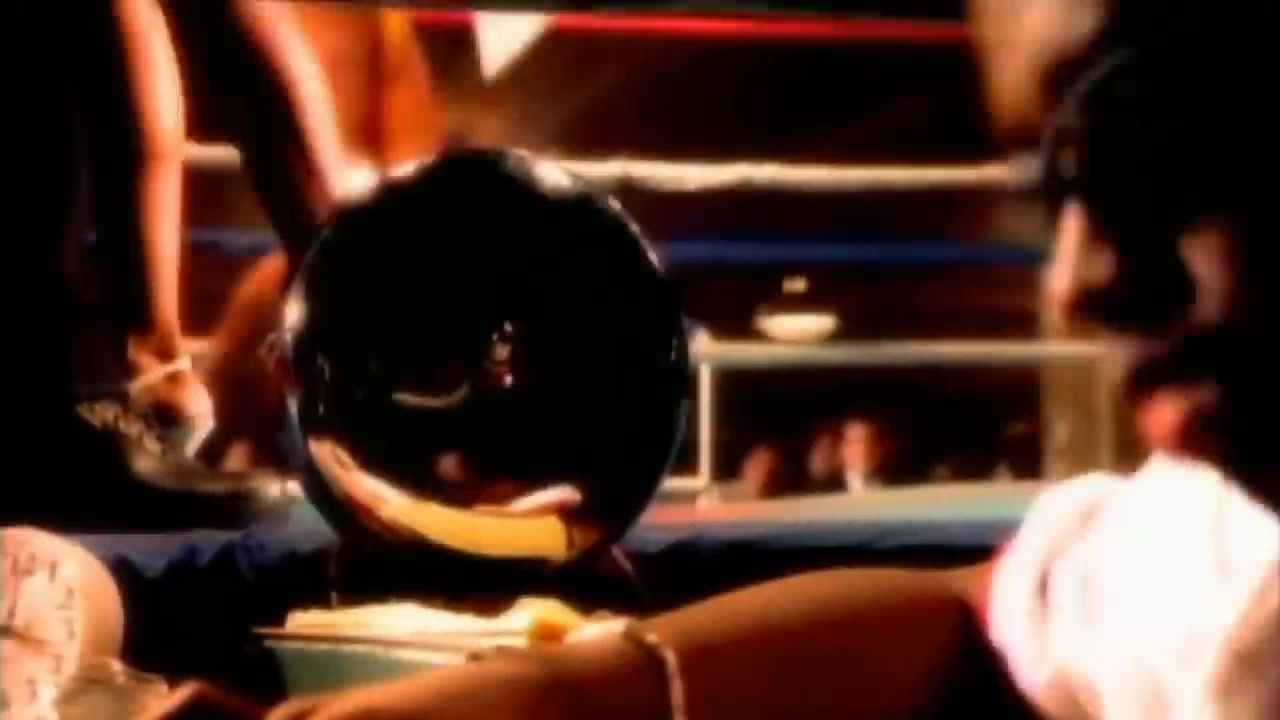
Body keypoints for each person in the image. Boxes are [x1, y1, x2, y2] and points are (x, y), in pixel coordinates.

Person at [9, 2, 1279, 718]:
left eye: (1135, 134)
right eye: (1053, 186)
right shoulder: (1216, 544)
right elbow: (994, 620)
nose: (1073, 280)